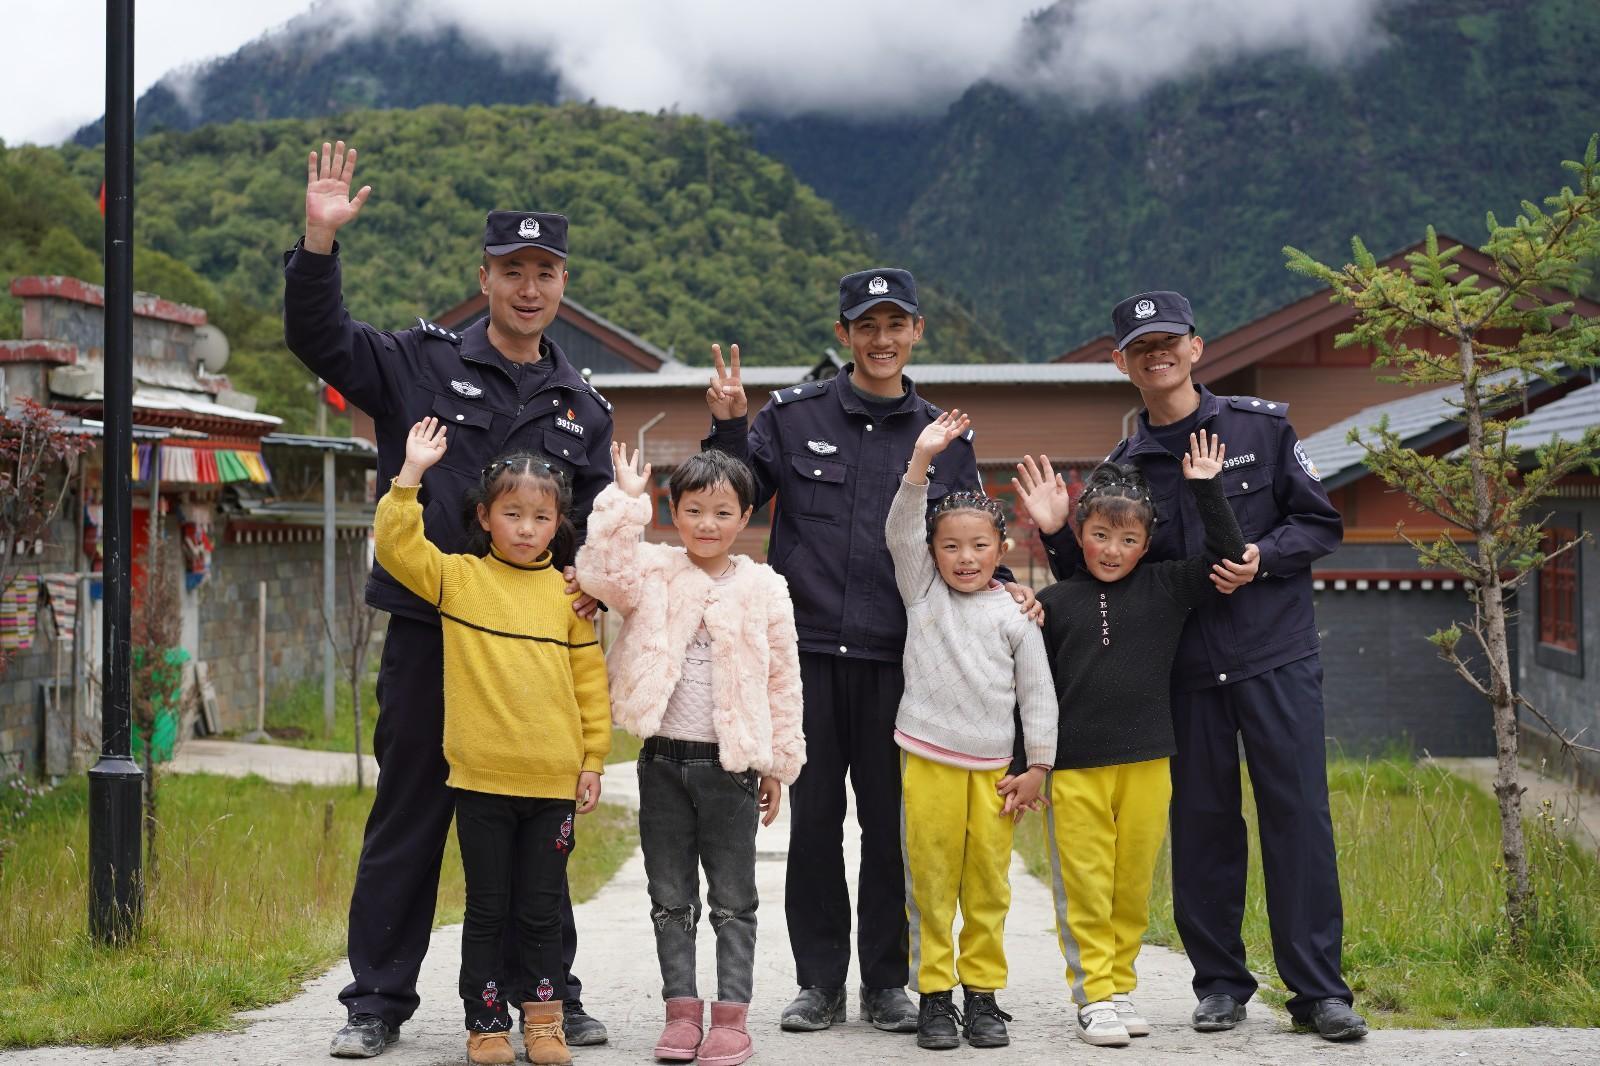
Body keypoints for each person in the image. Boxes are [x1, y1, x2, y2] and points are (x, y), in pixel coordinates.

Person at [283, 141, 615, 1058]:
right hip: (433, 633)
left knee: (537, 823)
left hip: (532, 654)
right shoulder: (416, 364)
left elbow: (585, 534)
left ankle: (547, 995)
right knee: (412, 813)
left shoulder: (585, 408)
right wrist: (319, 241)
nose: (529, 286)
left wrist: (590, 593)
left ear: (561, 284)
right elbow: (321, 341)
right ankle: (378, 1001)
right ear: (485, 277)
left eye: (545, 271)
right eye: (513, 270)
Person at [1013, 290, 1368, 1041]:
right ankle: (1221, 985)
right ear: (1121, 363)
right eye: (1140, 347)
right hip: (1183, 670)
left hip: (1274, 655)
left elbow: (1319, 523)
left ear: (1197, 348)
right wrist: (1054, 536)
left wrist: (1262, 559)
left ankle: (1318, 990)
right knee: (1204, 824)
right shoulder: (1126, 466)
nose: (1157, 354)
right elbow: (1105, 570)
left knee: (1297, 817)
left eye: (1168, 341)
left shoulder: (1259, 429)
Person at [702, 268, 1039, 1034]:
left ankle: (889, 981)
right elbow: (739, 489)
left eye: (896, 325)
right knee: (815, 822)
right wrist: (728, 425)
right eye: (866, 326)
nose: (882, 340)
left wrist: (1010, 585)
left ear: (917, 330)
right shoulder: (792, 416)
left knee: (892, 825)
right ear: (843, 333)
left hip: (902, 663)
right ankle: (819, 983)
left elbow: (964, 534)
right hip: (810, 653)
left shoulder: (943, 436)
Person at [373, 418, 611, 1066]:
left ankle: (544, 1023)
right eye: (513, 513)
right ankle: (485, 1024)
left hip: (552, 788)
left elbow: (591, 685)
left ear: (558, 521)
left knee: (541, 915)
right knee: (486, 910)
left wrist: (593, 761)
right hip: (479, 782)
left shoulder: (571, 597)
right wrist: (410, 476)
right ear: (485, 516)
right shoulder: (459, 579)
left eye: (540, 516)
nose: (527, 528)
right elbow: (397, 548)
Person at [574, 442, 805, 1066]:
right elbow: (600, 574)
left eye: (723, 512)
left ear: (747, 515)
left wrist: (779, 764)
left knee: (734, 898)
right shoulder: (652, 571)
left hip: (730, 767)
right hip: (662, 761)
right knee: (670, 895)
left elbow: (783, 679)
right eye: (694, 509)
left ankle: (732, 1018)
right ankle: (681, 1013)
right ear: (673, 512)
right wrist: (624, 501)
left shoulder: (764, 587)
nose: (708, 524)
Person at [1029, 432, 1244, 1047]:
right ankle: (1093, 995)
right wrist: (1031, 764)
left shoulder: (1170, 586)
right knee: (1087, 883)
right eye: (1099, 535)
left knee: (1131, 883)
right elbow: (1033, 693)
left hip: (1151, 759)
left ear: (1148, 543)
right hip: (1075, 767)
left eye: (1128, 540)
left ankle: (1120, 986)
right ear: (1080, 535)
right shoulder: (1053, 602)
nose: (1113, 550)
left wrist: (1208, 490)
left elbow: (1228, 553)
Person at [886, 410, 1057, 1051]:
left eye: (979, 546)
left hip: (993, 770)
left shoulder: (1016, 616)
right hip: (928, 758)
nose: (964, 558)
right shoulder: (921, 592)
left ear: (1002, 551)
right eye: (951, 546)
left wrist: (1038, 764)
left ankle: (982, 995)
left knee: (989, 882)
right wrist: (920, 463)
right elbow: (901, 528)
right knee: (931, 879)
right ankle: (933, 996)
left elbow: (1039, 693)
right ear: (932, 552)